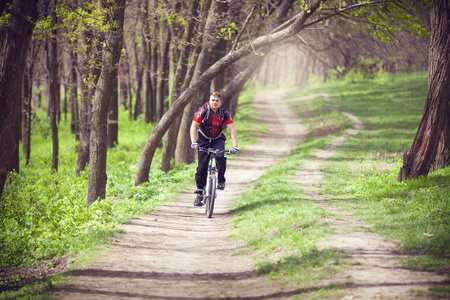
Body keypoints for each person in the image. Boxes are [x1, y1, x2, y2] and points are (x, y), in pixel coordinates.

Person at [190, 91, 239, 206]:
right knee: (201, 167)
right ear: (209, 100)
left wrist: (235, 146)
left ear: (220, 102)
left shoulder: (225, 113)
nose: (214, 102)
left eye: (217, 101)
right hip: (203, 140)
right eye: (212, 100)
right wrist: (194, 142)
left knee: (220, 156)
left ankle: (221, 180)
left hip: (217, 139)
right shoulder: (203, 111)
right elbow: (193, 126)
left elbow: (232, 129)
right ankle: (200, 193)